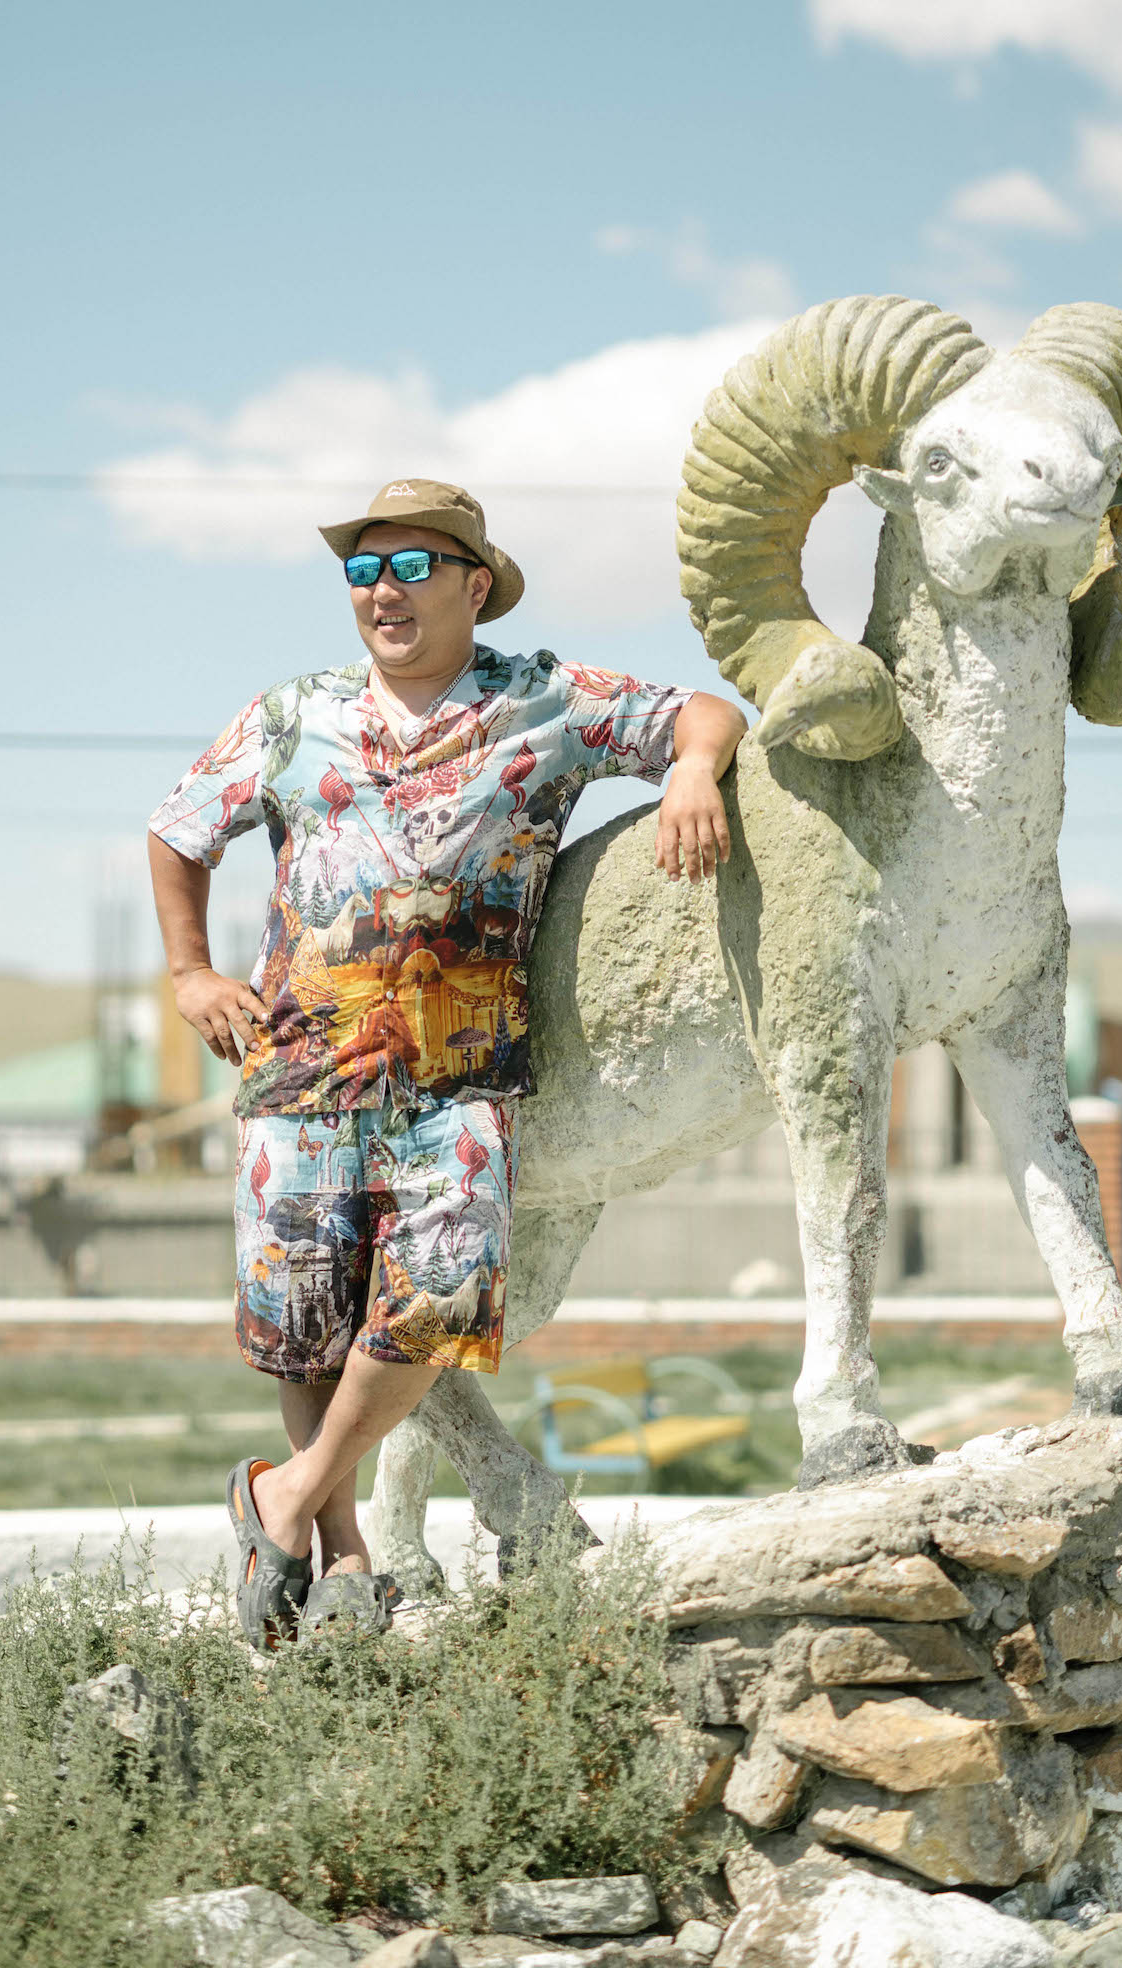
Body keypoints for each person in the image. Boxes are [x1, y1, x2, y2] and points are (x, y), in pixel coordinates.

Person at [146, 477, 745, 1644]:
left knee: (435, 1302)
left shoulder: (545, 700)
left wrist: (689, 769)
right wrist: (189, 972)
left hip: (459, 1075)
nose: (382, 592)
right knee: (307, 1319)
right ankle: (347, 1563)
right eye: (362, 571)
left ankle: (282, 1494)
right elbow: (178, 831)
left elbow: (704, 709)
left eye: (410, 567)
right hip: (298, 1067)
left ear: (475, 583)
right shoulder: (291, 714)